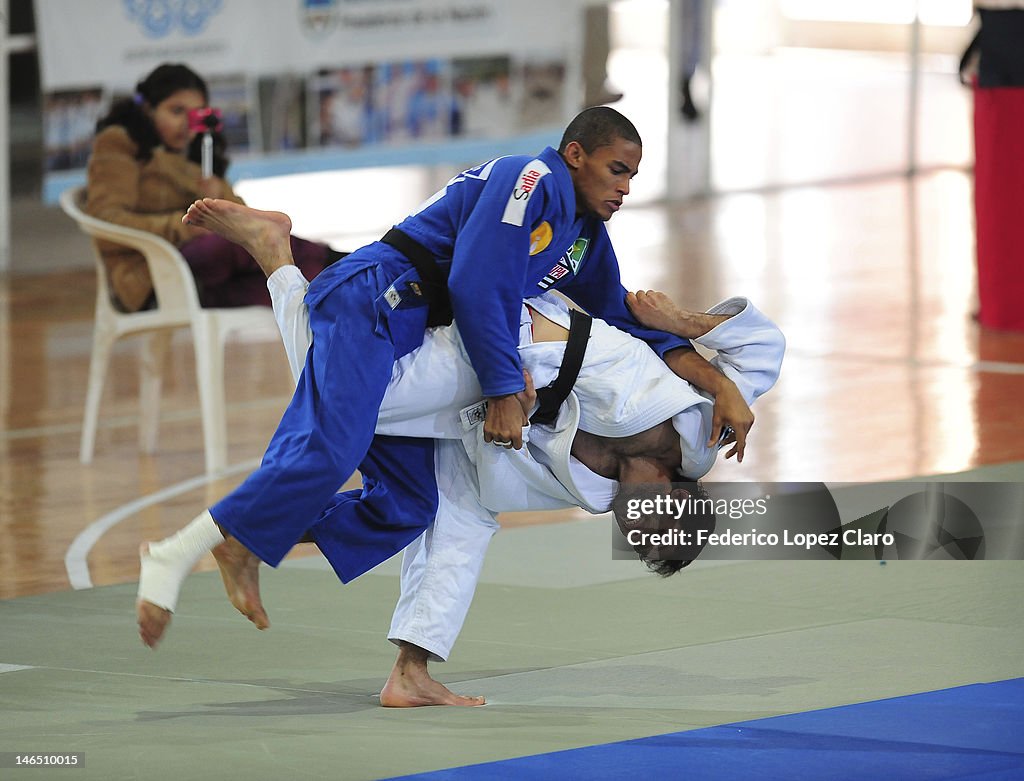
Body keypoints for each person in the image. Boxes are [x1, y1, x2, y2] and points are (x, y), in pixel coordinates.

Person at [135, 106, 757, 648]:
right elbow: (476, 282)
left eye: (633, 177)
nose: (625, 188)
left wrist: (719, 384)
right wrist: (503, 390)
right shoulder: (531, 180)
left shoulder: (582, 234)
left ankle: (275, 262)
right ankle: (177, 553)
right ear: (576, 155)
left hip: (413, 326)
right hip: (377, 296)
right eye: (617, 170)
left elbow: (625, 319)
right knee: (333, 442)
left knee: (410, 505)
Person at [85, 63, 337, 312]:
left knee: (291, 284)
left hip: (207, 279)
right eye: (176, 111)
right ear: (149, 109)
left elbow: (243, 220)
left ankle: (339, 276)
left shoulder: (199, 150)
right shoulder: (119, 143)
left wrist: (219, 195)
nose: (187, 124)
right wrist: (185, 227)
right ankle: (340, 263)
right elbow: (107, 222)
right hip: (147, 276)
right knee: (238, 244)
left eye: (195, 114)